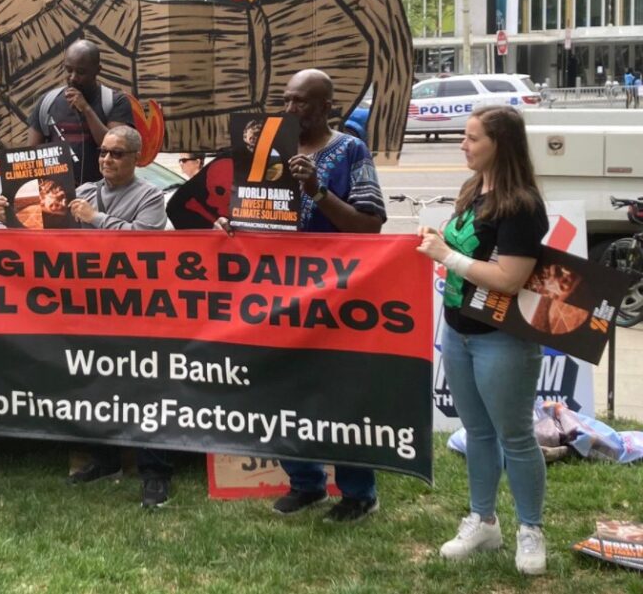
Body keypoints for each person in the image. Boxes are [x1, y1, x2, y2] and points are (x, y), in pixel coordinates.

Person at [216, 69, 387, 523]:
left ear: (328, 106)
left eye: (302, 103)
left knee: (339, 395)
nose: (291, 110)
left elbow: (370, 225)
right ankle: (305, 482)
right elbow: (255, 218)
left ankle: (358, 491)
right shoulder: (265, 150)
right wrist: (232, 226)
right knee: (282, 389)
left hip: (334, 297)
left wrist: (318, 190)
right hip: (276, 294)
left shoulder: (351, 150)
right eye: (287, 100)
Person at [0, 125, 170, 508]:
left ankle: (154, 473)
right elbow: (45, 238)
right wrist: (8, 219)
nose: (107, 159)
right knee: (93, 387)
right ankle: (105, 462)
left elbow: (148, 245)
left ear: (136, 159)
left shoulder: (150, 196)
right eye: (104, 152)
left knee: (142, 391)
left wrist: (96, 219)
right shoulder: (84, 190)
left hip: (133, 313)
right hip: (88, 311)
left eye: (117, 153)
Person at [416, 105, 549, 576]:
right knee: (477, 433)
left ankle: (530, 528)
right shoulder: (474, 189)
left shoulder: (523, 205)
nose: (463, 145)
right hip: (458, 331)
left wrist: (446, 255)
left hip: (502, 338)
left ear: (501, 144)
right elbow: (467, 248)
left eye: (472, 138)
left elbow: (509, 278)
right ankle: (483, 520)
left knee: (515, 436)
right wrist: (442, 241)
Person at [27, 39, 133, 185]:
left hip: (103, 194)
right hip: (60, 196)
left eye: (81, 72)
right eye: (69, 70)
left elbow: (114, 147)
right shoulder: (47, 102)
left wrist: (86, 109)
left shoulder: (116, 102)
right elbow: (31, 155)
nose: (73, 77)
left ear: (97, 70)